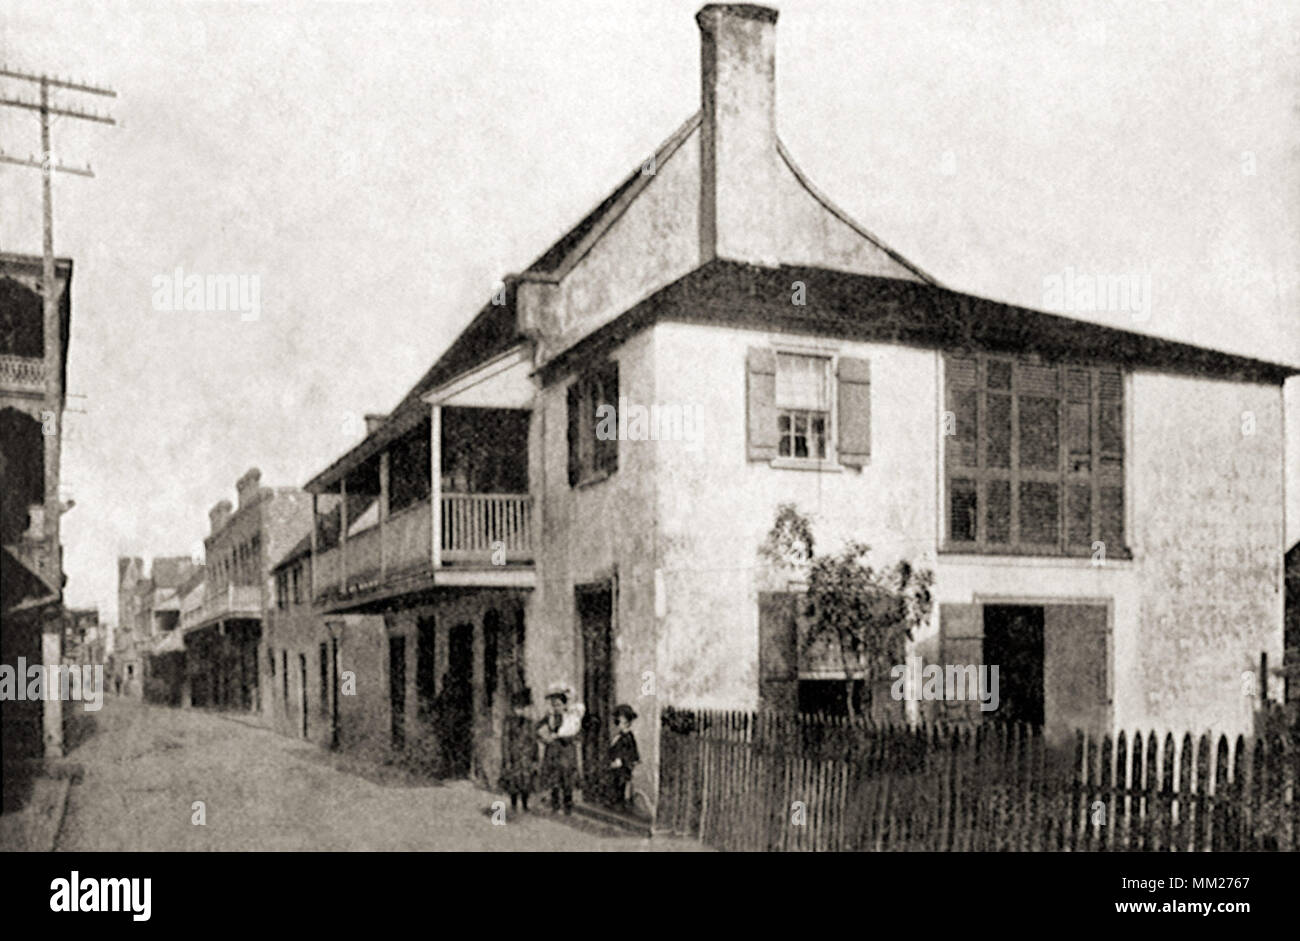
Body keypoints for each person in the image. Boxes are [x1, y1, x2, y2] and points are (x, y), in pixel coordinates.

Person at [537, 682, 583, 814]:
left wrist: (561, 737)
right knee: (554, 778)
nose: (556, 708)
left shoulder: (570, 718)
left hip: (566, 751)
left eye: (558, 705)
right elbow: (538, 729)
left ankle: (568, 806)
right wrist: (544, 736)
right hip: (553, 751)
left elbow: (575, 734)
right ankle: (555, 805)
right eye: (554, 705)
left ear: (564, 705)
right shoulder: (550, 717)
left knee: (567, 779)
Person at [499, 687, 536, 813]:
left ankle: (525, 804)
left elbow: (533, 740)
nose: (520, 711)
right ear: (514, 709)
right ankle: (514, 803)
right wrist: (507, 758)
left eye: (522, 708)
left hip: (526, 755)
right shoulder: (508, 723)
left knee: (526, 781)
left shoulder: (530, 723)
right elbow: (505, 740)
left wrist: (535, 757)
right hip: (514, 755)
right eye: (517, 708)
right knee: (513, 782)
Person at [607, 703, 640, 810]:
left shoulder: (628, 737)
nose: (620, 724)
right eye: (619, 721)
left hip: (623, 765)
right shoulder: (619, 736)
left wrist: (622, 760)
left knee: (621, 782)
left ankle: (620, 803)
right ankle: (614, 801)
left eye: (624, 722)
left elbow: (629, 751)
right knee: (615, 782)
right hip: (617, 764)